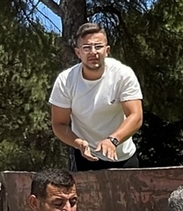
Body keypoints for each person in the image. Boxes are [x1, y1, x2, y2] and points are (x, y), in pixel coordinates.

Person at [49, 22, 144, 172]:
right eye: (86, 48)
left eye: (98, 46)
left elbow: (136, 116)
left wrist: (113, 140)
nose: (93, 52)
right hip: (87, 157)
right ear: (78, 52)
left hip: (123, 155)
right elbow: (59, 124)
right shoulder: (65, 80)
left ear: (107, 50)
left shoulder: (123, 74)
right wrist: (78, 143)